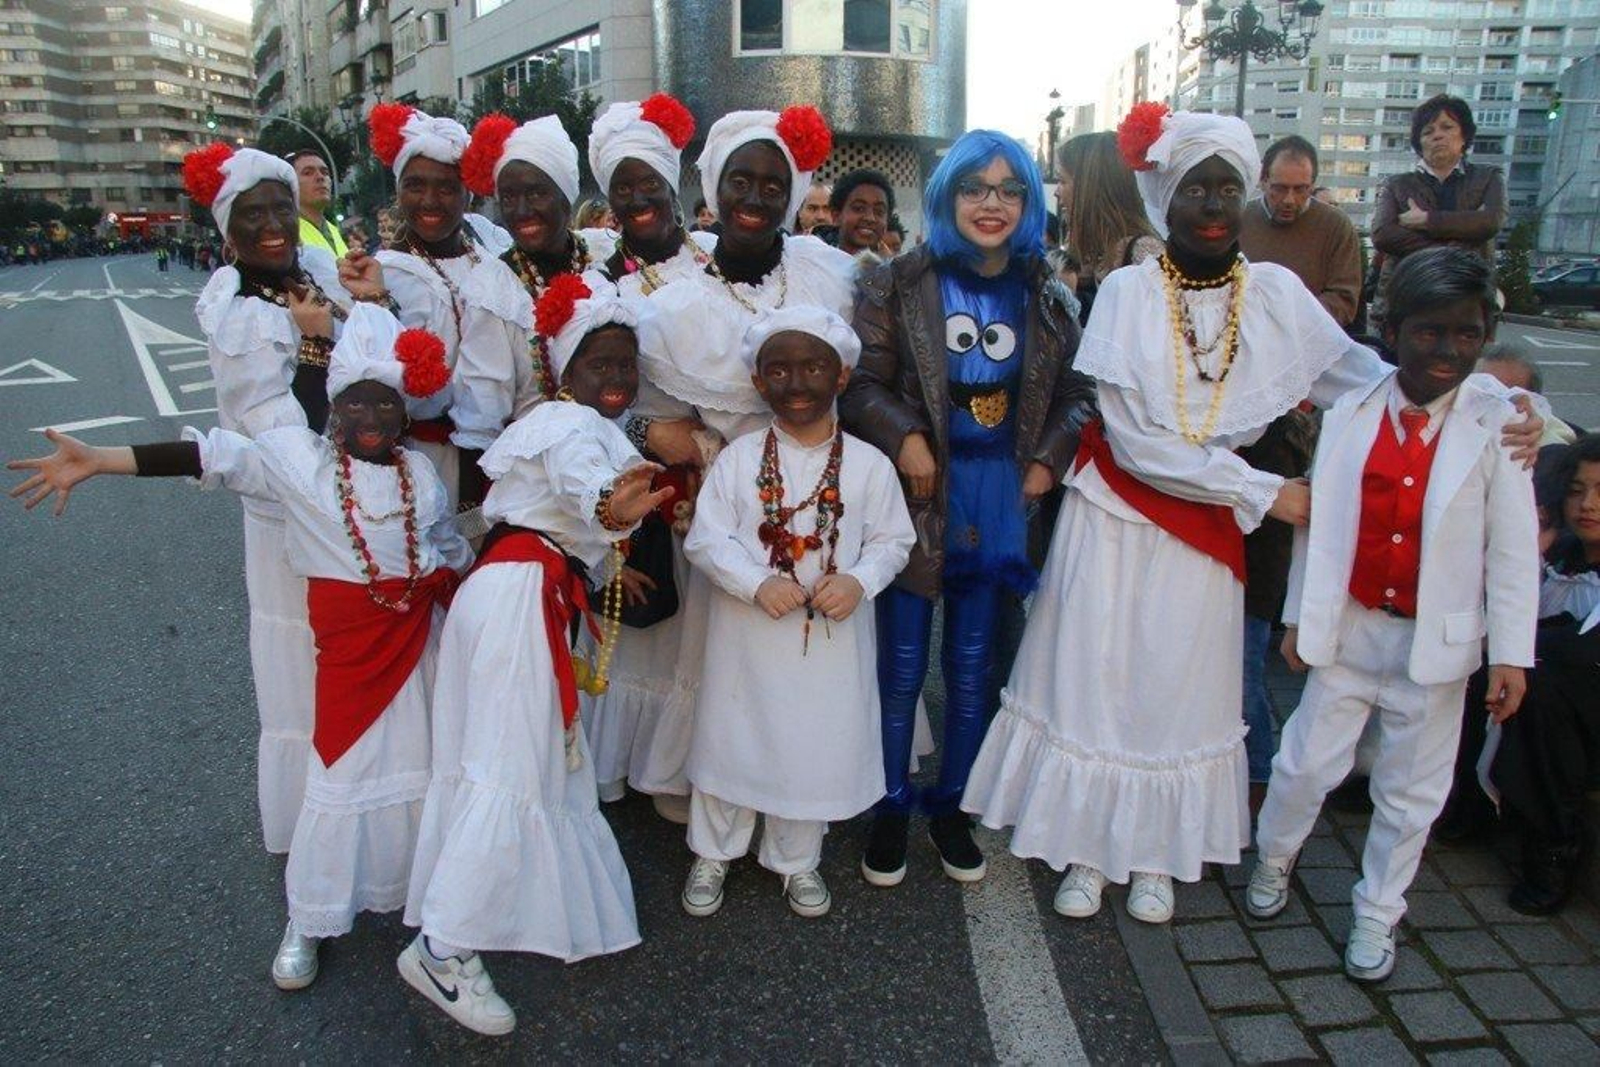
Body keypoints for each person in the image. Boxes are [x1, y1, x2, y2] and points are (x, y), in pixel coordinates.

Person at [960, 105, 1542, 926]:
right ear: (1166, 197)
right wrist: (1268, 495)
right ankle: (1088, 846)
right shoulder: (1128, 291)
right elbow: (1131, 440)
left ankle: (1155, 850)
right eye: (1195, 187)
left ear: (1244, 197)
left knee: (1178, 684)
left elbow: (1378, 375)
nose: (1210, 204)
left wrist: (1504, 400)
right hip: (1119, 516)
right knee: (1096, 673)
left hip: (1203, 534)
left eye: (1226, 188)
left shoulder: (1272, 295)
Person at [8, 304, 473, 991]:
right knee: (339, 781)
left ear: (405, 415)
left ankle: (412, 892)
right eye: (354, 403)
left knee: (421, 768)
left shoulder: (420, 476)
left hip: (416, 652)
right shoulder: (298, 463)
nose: (370, 416)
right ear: (331, 410)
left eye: (385, 403)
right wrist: (104, 459)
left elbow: (441, 549)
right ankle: (308, 916)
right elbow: (214, 456)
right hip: (351, 661)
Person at [1248, 247, 1538, 982]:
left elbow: (1509, 550)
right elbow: (1319, 528)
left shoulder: (1496, 424)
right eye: (1429, 333)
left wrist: (1512, 653)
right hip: (1350, 627)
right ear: (1394, 329)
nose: (1448, 351)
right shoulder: (1351, 412)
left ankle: (1379, 909)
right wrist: (1295, 618)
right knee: (1304, 763)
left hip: (1435, 642)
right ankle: (1274, 856)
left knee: (1412, 790)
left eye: (1467, 334)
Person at [401, 276, 669, 1035]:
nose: (616, 378)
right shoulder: (571, 429)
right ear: (565, 372)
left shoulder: (556, 424)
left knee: (506, 762)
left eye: (626, 364)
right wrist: (614, 511)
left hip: (513, 590)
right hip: (521, 601)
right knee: (514, 767)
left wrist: (610, 561)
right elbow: (590, 493)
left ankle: (464, 919)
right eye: (599, 365)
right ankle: (442, 949)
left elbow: (538, 513)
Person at [842, 129, 1094, 886]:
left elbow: (1082, 393)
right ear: (949, 196)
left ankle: (952, 803)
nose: (992, 204)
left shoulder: (1048, 295)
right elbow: (858, 384)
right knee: (903, 664)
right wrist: (907, 436)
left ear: (1029, 202)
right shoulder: (897, 280)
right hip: (917, 496)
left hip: (1003, 497)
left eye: (1009, 189)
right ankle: (889, 804)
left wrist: (1049, 457)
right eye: (975, 188)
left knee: (975, 663)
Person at [628, 105, 857, 817]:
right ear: (712, 187)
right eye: (740, 181)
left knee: (805, 645)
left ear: (791, 194)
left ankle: (802, 780)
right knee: (726, 649)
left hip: (819, 490)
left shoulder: (830, 276)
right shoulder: (671, 308)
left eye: (770, 184)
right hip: (726, 510)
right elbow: (630, 413)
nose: (754, 198)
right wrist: (667, 440)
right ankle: (716, 782)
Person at [680, 306, 914, 919]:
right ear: (759, 383)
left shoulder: (870, 464)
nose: (797, 383)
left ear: (840, 377)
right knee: (733, 735)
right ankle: (713, 851)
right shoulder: (737, 459)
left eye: (814, 367)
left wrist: (859, 581)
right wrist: (755, 582)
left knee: (809, 744)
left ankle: (796, 859)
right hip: (747, 636)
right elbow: (707, 539)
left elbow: (895, 541)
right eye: (778, 370)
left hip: (829, 642)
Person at [179, 143, 351, 855]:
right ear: (228, 232)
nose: (273, 222)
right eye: (254, 213)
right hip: (288, 514)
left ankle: (353, 814)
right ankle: (312, 838)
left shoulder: (304, 283)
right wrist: (316, 345)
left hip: (340, 500)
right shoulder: (243, 316)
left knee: (343, 662)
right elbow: (287, 439)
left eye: (282, 205)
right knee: (300, 675)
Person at [576, 94, 720, 812]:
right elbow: (579, 386)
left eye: (649, 183)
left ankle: (677, 766)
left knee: (694, 624)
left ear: (675, 187)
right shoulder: (599, 283)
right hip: (633, 461)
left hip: (710, 465)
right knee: (636, 617)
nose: (637, 198)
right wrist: (644, 433)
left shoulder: (718, 266)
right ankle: (625, 759)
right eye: (621, 186)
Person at [343, 104, 533, 522]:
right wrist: (377, 306)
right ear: (398, 192)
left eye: (446, 188)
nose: (429, 201)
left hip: (506, 457)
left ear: (468, 193)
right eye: (415, 185)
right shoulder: (385, 273)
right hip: (426, 463)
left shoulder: (492, 252)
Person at [1492, 434, 1600, 914]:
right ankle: (1471, 807)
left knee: (1544, 685)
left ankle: (1557, 843)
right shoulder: (1564, 553)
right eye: (1577, 491)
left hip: (1582, 719)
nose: (1588, 505)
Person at [457, 111, 597, 401]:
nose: (521, 211)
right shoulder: (494, 291)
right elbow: (481, 419)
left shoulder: (603, 257)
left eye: (535, 194)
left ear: (565, 198)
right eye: (508, 197)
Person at [1371, 94, 1506, 331]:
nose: (1437, 135)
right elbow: (1383, 234)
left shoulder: (1488, 178)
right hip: (1409, 299)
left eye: (1447, 127)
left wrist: (1426, 220)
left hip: (1469, 300)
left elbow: (1490, 221)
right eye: (1427, 131)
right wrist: (1464, 236)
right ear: (1418, 142)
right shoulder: (1397, 185)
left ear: (1464, 136)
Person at [1239, 135, 1362, 330]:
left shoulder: (1336, 225)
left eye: (1300, 190)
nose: (1289, 199)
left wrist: (1289, 321)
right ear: (1263, 181)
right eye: (1279, 189)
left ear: (1312, 185)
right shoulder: (1239, 220)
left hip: (1311, 340)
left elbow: (1343, 300)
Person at [1055, 131, 1162, 323]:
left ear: (1089, 187)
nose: (1056, 192)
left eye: (1062, 181)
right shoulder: (1096, 253)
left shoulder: (1143, 252)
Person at [1477, 344, 1579, 445]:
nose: (1489, 405)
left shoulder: (1552, 451)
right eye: (1480, 390)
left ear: (1534, 403)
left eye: (1508, 397)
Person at [288, 149, 349, 259]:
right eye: (308, 173)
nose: (320, 177)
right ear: (290, 184)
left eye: (325, 172)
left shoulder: (333, 230)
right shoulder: (286, 231)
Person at [827, 169, 894, 259]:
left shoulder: (895, 271)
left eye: (879, 211)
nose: (870, 218)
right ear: (836, 216)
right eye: (859, 208)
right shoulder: (813, 264)